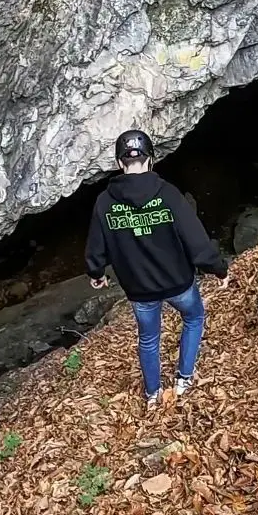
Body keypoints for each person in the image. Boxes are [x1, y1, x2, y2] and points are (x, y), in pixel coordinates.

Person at [85, 129, 229, 407]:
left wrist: (96, 272)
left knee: (148, 339)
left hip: (140, 288)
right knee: (194, 318)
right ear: (150, 160)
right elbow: (195, 238)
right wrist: (217, 268)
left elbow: (96, 244)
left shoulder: (105, 202)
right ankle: (183, 380)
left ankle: (152, 395)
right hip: (178, 282)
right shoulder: (168, 194)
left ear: (119, 163)